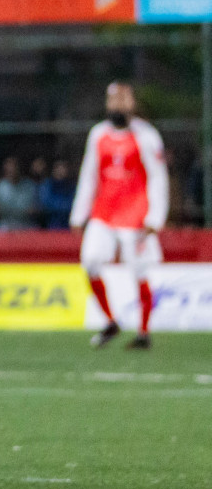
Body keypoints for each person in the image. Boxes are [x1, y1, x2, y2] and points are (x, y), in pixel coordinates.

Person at [71, 81, 168, 350]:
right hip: (103, 213)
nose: (118, 104)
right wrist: (79, 214)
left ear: (132, 103)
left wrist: (154, 218)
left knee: (140, 269)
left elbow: (158, 179)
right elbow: (89, 175)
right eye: (113, 99)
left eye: (123, 99)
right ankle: (111, 322)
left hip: (135, 215)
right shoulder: (98, 135)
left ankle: (144, 333)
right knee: (90, 261)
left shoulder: (146, 136)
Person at [0, 155, 38, 231]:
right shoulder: (0, 186)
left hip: (25, 223)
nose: (11, 170)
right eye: (8, 168)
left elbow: (34, 208)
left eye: (13, 167)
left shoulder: (29, 185)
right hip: (6, 224)